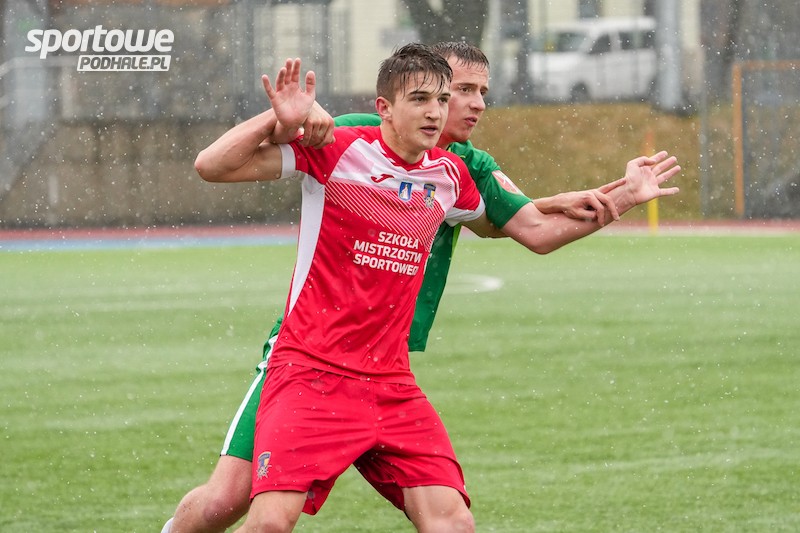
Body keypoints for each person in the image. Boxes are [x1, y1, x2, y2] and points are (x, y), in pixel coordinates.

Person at [163, 43, 680, 532]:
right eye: (449, 93)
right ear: (387, 108)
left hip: (389, 374)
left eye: (462, 95)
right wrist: (285, 119)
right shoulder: (347, 142)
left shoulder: (459, 170)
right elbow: (216, 164)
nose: (462, 105)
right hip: (310, 364)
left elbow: (526, 224)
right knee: (235, 504)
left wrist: (622, 197)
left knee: (452, 519)